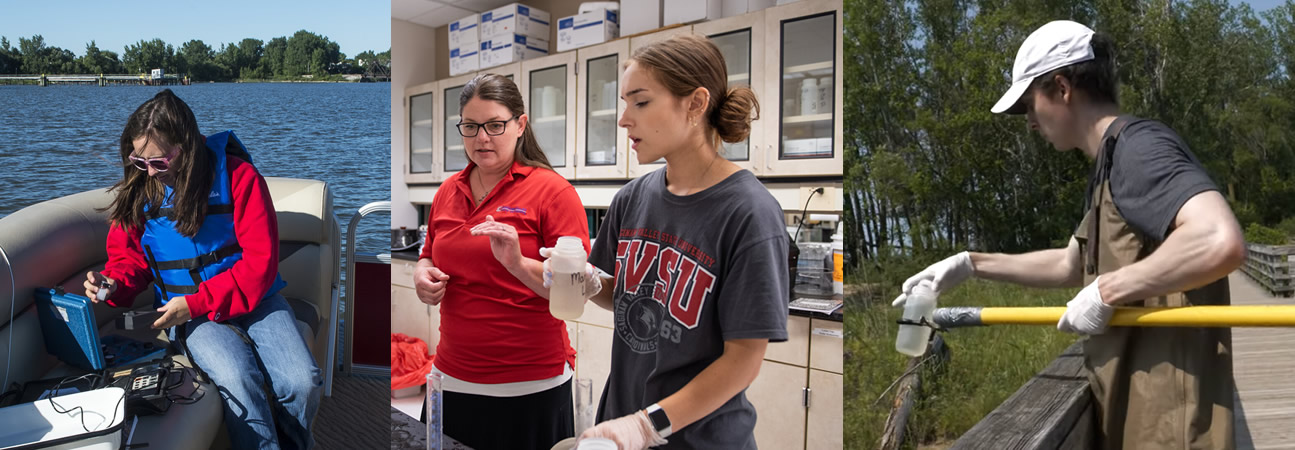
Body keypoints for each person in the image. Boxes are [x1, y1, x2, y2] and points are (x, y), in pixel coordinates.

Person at [892, 20, 1243, 449]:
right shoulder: (1109, 163)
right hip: (1138, 415)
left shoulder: (1139, 147)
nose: (1029, 124)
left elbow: (1216, 239)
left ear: (1061, 88)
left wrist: (1108, 290)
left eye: (1028, 106)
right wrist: (971, 264)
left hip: (1173, 427)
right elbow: (1070, 263)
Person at [551, 34, 790, 449]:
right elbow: (624, 296)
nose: (624, 119)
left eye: (640, 102)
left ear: (695, 104)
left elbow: (743, 360)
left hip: (696, 438)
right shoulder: (632, 198)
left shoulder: (749, 213)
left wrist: (648, 425)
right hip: (621, 426)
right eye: (625, 103)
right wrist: (587, 282)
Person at [83, 89, 322, 449]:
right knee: (239, 378)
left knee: (301, 381)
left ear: (187, 148)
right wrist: (113, 284)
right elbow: (131, 260)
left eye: (160, 163)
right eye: (138, 161)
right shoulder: (141, 189)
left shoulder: (241, 177)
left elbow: (259, 265)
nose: (149, 171)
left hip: (252, 301)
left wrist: (194, 303)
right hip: (190, 315)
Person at [413, 73, 589, 450]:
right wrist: (421, 271)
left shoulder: (553, 192)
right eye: (471, 126)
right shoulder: (448, 190)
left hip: (528, 385)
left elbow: (574, 294)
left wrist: (517, 264)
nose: (481, 138)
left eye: (495, 125)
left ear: (520, 124)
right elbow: (428, 251)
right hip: (451, 375)